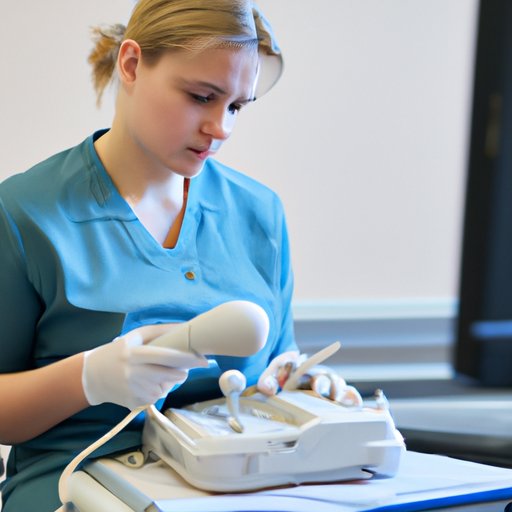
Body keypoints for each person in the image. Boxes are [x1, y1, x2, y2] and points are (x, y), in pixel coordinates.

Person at [0, 1, 361, 510]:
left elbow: (276, 364)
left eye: (236, 107)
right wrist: (88, 378)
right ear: (131, 64)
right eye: (201, 97)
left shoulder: (259, 214)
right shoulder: (25, 214)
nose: (221, 128)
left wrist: (303, 388)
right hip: (75, 490)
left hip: (234, 490)